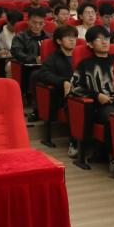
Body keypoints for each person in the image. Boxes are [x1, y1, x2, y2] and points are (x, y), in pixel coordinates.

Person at [70, 25, 114, 176]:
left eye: (107, 38)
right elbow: (75, 87)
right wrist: (97, 96)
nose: (104, 42)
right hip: (100, 105)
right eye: (99, 39)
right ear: (90, 44)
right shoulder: (86, 64)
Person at [35, 24, 80, 157]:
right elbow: (43, 74)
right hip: (62, 95)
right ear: (59, 41)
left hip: (82, 91)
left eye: (74, 37)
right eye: (68, 37)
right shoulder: (53, 58)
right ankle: (74, 142)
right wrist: (63, 82)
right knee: (74, 104)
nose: (72, 40)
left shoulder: (81, 56)